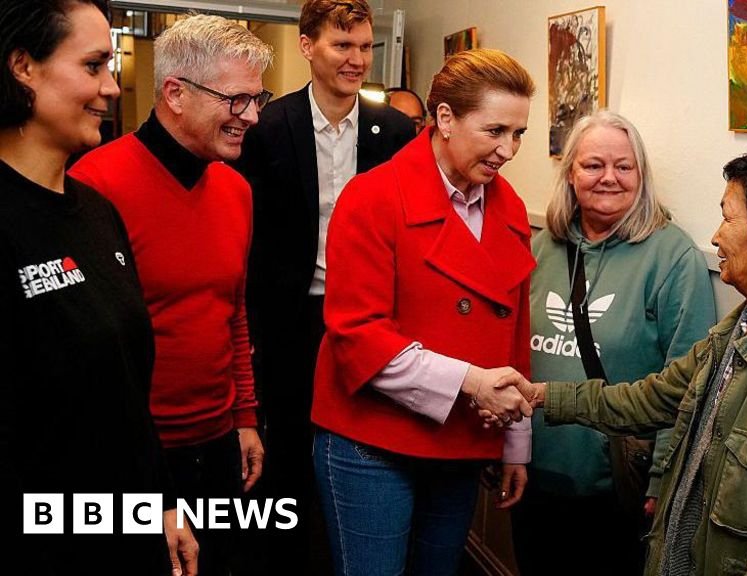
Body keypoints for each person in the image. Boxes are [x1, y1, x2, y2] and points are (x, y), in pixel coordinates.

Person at [519, 146, 747, 575]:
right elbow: (653, 398)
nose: (716, 237)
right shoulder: (741, 328)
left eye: (728, 219)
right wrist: (543, 395)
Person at [311, 48, 536, 576]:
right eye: (495, 131)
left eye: (519, 133)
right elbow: (358, 336)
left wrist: (515, 444)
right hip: (371, 441)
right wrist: (472, 383)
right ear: (446, 118)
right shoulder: (372, 198)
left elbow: (514, 331)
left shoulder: (509, 207)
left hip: (460, 441)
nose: (508, 150)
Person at [68, 13, 273, 576]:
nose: (252, 116)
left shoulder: (236, 190)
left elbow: (233, 313)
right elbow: (93, 352)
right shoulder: (95, 186)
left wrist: (245, 417)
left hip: (220, 440)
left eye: (257, 99)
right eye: (236, 100)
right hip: (137, 453)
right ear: (176, 94)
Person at [0, 1, 197, 574]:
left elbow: (127, 395)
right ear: (23, 67)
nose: (111, 87)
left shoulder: (97, 212)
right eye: (92, 66)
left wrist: (162, 505)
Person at [235, 2, 414, 569]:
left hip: (370, 322)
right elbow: (248, 234)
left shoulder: (395, 130)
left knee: (363, 452)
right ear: (307, 46)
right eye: (343, 46)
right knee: (287, 453)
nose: (357, 59)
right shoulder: (268, 127)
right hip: (291, 323)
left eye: (364, 47)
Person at [511, 111, 716, 576]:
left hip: (616, 490)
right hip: (534, 479)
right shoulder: (543, 247)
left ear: (641, 176)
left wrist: (661, 478)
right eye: (593, 165)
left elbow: (690, 383)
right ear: (570, 173)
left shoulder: (672, 256)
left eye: (624, 166)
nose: (609, 177)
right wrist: (506, 448)